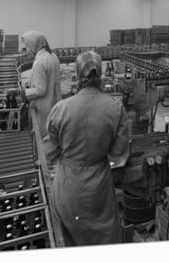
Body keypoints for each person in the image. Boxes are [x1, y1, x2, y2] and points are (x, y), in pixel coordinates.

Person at [44, 50, 130, 246]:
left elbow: (50, 151)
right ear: (100, 74)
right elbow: (119, 155)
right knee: (103, 239)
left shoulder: (61, 108)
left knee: (70, 240)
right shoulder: (115, 108)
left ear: (77, 74)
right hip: (99, 190)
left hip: (69, 187)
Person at [19, 31, 61, 138]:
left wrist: (23, 92)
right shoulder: (53, 57)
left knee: (42, 137)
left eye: (27, 46)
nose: (27, 50)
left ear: (33, 44)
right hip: (55, 104)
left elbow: (41, 90)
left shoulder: (39, 63)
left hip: (43, 109)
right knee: (53, 136)